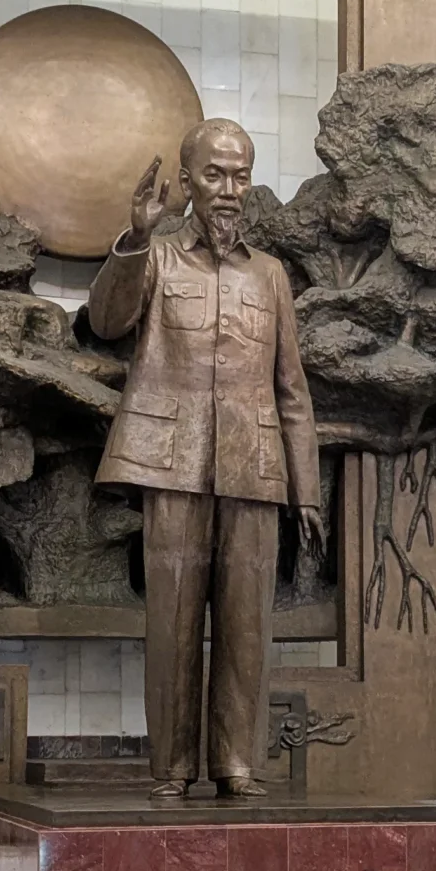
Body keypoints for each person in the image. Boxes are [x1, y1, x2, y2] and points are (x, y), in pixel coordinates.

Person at [90, 121, 325, 799]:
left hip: (254, 466)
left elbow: (292, 391)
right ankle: (171, 767)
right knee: (172, 620)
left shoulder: (271, 275)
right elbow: (107, 321)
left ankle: (235, 762)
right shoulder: (157, 259)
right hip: (171, 461)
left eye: (241, 174)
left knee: (248, 623)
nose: (230, 190)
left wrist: (304, 489)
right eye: (216, 175)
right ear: (188, 182)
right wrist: (135, 238)